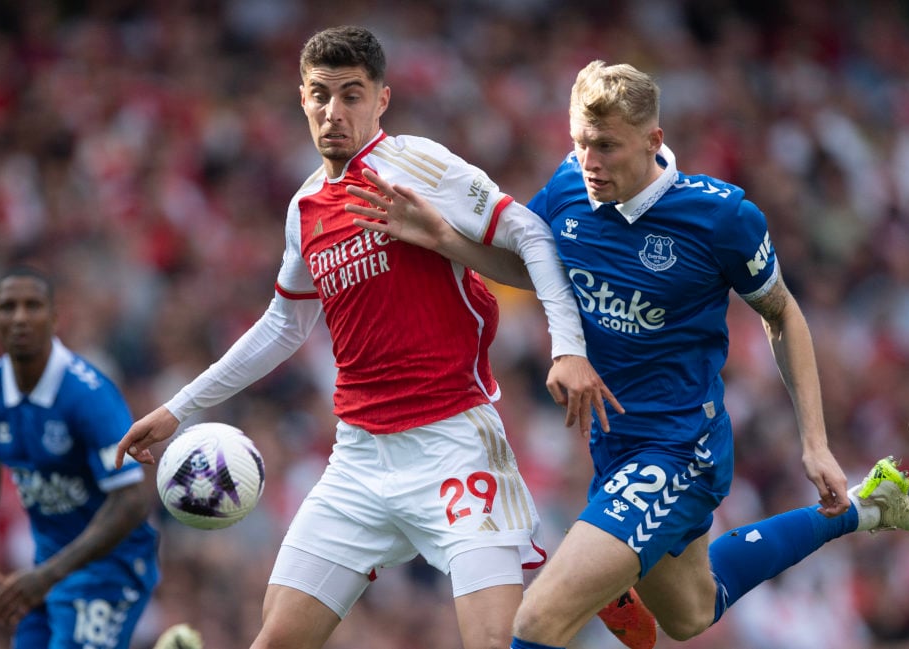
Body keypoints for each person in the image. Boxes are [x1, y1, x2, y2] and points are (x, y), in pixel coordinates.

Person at [343, 60, 909, 649]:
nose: (589, 162)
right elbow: (534, 267)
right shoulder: (569, 187)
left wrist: (815, 444)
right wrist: (444, 238)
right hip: (614, 446)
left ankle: (605, 570)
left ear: (654, 141)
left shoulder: (721, 217)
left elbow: (782, 313)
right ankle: (868, 507)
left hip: (681, 449)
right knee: (691, 613)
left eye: (605, 146)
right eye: (580, 143)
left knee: (536, 622)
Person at [115, 26, 618, 649]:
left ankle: (590, 578)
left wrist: (567, 345)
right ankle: (586, 577)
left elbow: (532, 236)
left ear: (381, 99)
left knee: (496, 643)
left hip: (452, 447)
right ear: (302, 98)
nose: (334, 111)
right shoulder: (306, 209)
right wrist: (176, 409)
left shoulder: (415, 163)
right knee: (274, 641)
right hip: (358, 461)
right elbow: (283, 323)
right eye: (321, 95)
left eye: (352, 95)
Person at [0, 266, 160, 649]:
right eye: (8, 307)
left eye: (32, 306)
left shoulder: (88, 395)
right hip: (48, 570)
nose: (20, 317)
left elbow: (132, 499)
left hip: (109, 570)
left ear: (54, 317)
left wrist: (48, 574)